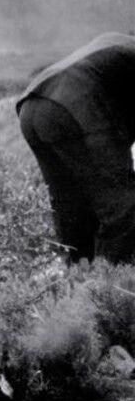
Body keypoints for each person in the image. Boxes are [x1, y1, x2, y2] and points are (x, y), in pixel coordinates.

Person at [17, 32, 135, 263]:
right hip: (74, 105)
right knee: (124, 209)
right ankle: (110, 290)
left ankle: (78, 285)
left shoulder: (120, 44)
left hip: (32, 108)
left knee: (72, 209)